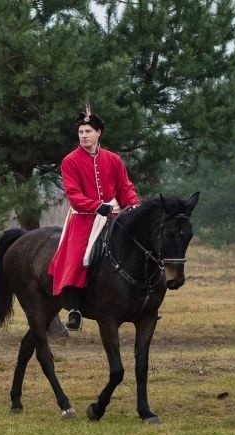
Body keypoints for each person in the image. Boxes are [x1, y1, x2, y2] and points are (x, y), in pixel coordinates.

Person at [48, 107, 140, 331]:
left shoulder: (114, 159)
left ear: (99, 133)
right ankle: (76, 307)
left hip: (115, 217)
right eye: (81, 132)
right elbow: (75, 196)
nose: (84, 135)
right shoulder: (70, 161)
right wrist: (98, 206)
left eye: (88, 131)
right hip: (84, 219)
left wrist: (134, 205)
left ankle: (141, 300)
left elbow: (125, 188)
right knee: (82, 257)